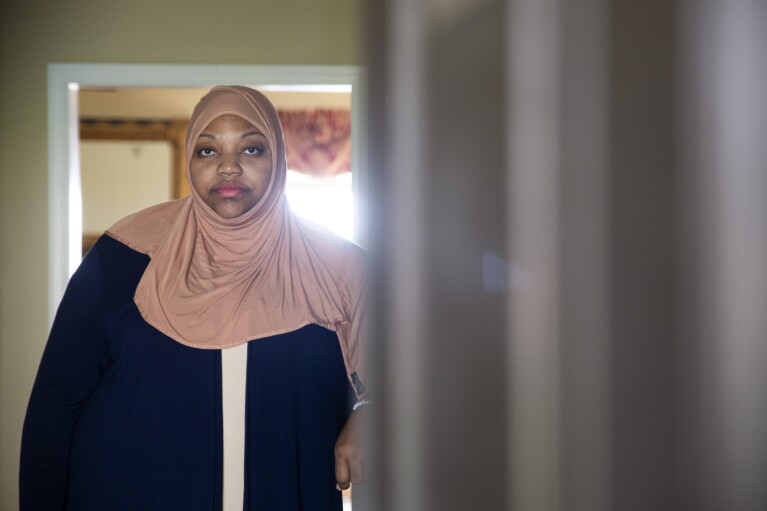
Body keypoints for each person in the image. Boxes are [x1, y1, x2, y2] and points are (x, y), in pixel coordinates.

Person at [20, 86, 369, 510]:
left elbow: (414, 376)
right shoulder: (122, 257)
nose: (228, 167)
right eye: (208, 151)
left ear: (278, 158)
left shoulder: (339, 268)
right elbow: (55, 406)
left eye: (252, 149)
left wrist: (371, 411)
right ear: (189, 159)